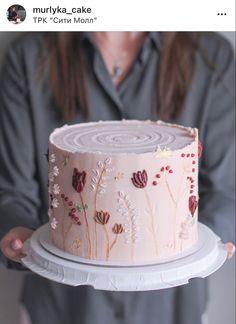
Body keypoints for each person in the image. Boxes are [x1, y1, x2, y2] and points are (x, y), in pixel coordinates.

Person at [0, 32, 235, 324]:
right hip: (61, 306)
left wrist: (199, 248)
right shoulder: (29, 57)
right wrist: (16, 234)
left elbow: (226, 189)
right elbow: (11, 192)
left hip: (171, 309)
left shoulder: (211, 56)